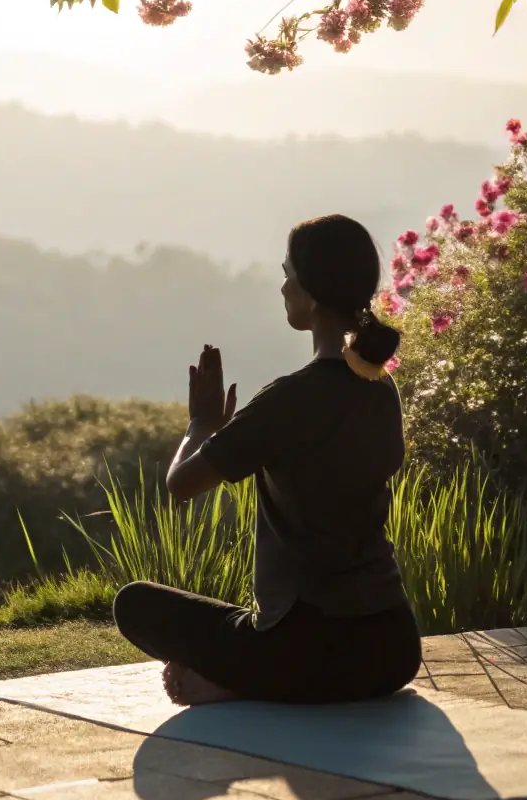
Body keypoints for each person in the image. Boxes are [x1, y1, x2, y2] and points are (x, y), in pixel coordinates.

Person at [113, 213, 422, 707]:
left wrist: (202, 425)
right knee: (250, 629)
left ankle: (236, 681)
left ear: (312, 293)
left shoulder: (288, 399)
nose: (282, 288)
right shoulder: (381, 391)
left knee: (135, 603)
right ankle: (243, 677)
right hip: (392, 650)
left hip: (306, 654)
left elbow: (180, 484)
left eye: (287, 274)